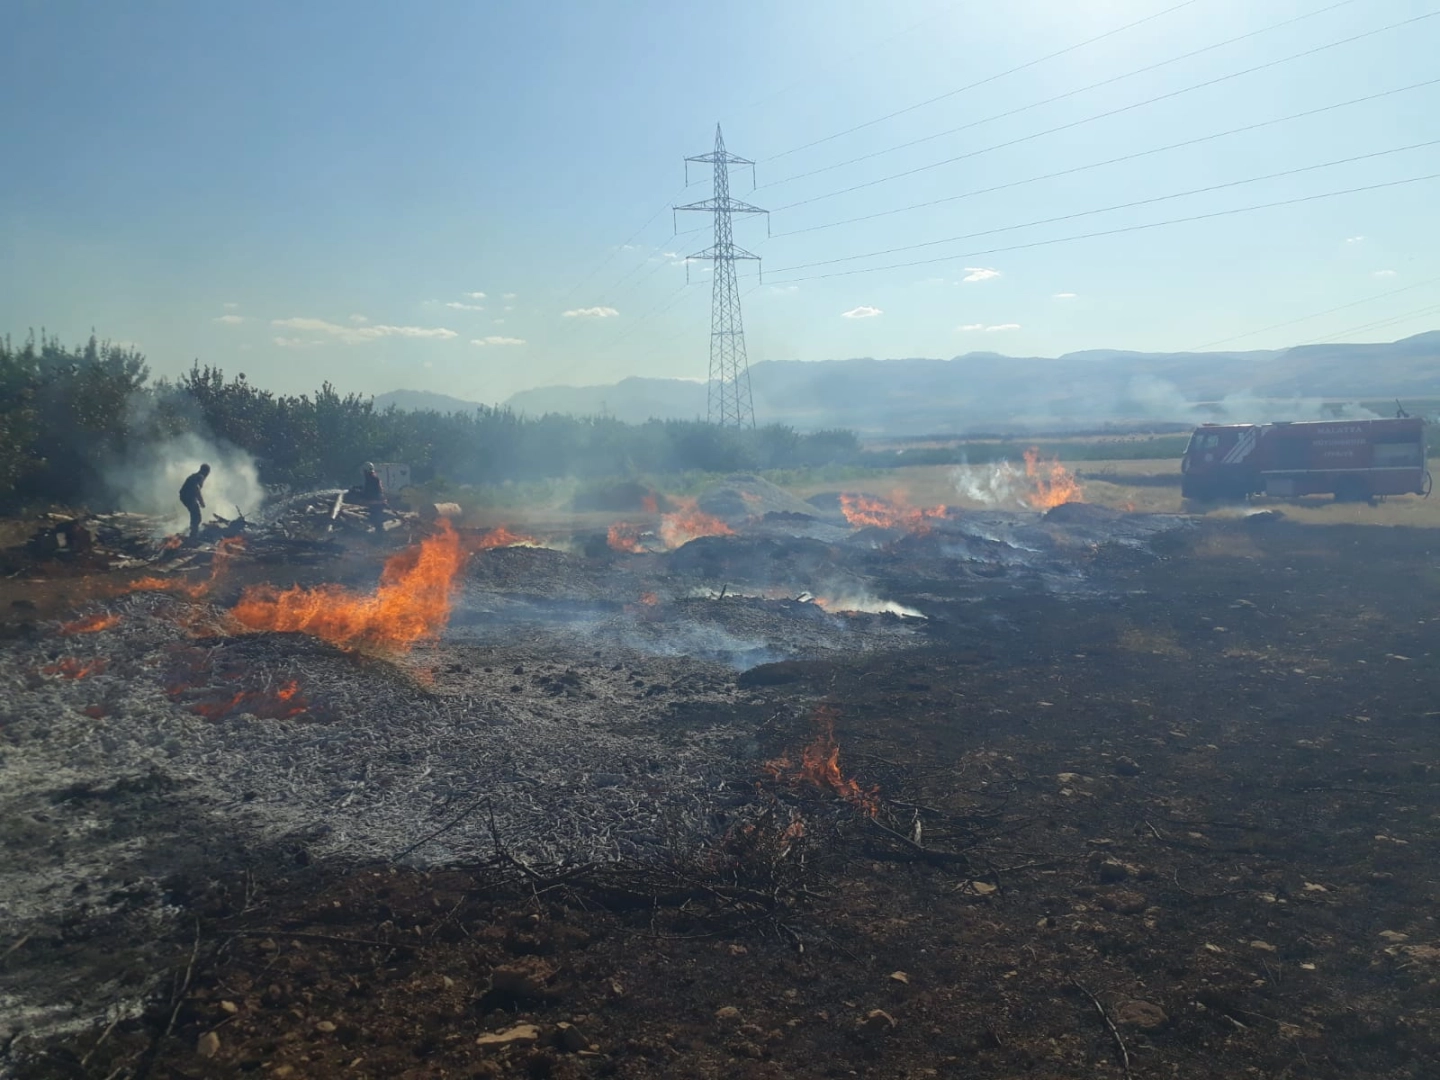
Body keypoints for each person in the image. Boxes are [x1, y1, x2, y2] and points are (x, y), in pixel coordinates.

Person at [179, 463, 210, 539]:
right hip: (188, 497)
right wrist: (201, 502)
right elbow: (196, 489)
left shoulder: (195, 476)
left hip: (184, 496)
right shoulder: (200, 476)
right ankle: (193, 536)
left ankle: (193, 533)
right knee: (197, 516)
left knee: (195, 515)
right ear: (206, 472)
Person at [361, 462, 387, 532]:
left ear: (365, 471)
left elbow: (369, 492)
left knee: (376, 522)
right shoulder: (375, 478)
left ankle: (379, 535)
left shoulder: (370, 479)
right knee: (377, 521)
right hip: (377, 502)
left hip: (375, 503)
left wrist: (363, 497)